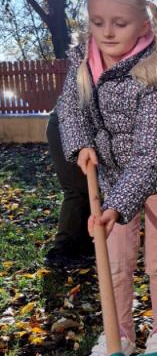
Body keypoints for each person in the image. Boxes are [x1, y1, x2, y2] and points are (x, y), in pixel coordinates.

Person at [57, 0, 157, 356]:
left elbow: (151, 154)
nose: (107, 32)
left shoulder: (154, 73)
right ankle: (119, 335)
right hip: (114, 173)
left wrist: (116, 207)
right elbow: (70, 107)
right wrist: (81, 144)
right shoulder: (84, 60)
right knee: (115, 261)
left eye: (119, 23)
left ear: (143, 25)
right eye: (98, 22)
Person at [44, 107, 95, 270]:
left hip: (81, 131)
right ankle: (61, 252)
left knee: (89, 189)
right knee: (77, 190)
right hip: (65, 130)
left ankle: (82, 247)